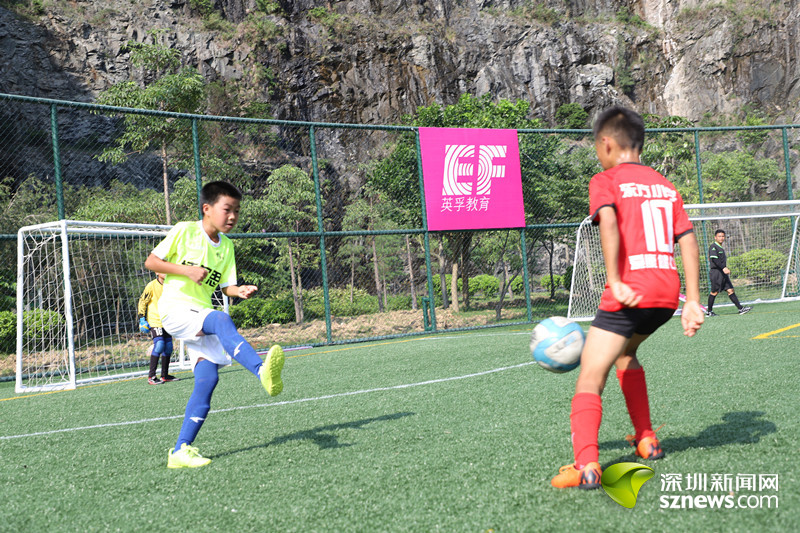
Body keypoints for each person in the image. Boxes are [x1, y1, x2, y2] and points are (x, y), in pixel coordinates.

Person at [551, 106, 704, 489]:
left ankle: (586, 465)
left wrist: (616, 280)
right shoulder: (665, 185)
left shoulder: (605, 180)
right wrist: (692, 300)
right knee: (626, 354)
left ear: (606, 144)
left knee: (590, 376)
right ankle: (646, 440)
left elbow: (609, 221)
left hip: (630, 290)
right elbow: (687, 239)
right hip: (666, 294)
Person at [144, 180, 285, 469]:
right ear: (207, 209)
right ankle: (261, 372)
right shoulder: (185, 230)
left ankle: (180, 451)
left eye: (237, 211)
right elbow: (152, 262)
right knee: (221, 318)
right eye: (227, 209)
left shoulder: (227, 246)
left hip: (200, 312)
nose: (232, 216)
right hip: (174, 310)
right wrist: (185, 270)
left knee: (208, 379)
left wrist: (239, 290)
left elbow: (225, 286)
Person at [137, 273, 178, 385]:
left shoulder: (171, 285)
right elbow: (142, 301)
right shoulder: (151, 285)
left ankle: (165, 376)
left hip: (167, 321)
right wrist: (142, 318)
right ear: (157, 272)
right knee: (159, 345)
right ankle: (151, 377)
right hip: (155, 320)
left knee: (168, 347)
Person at [706, 229, 752, 316]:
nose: (721, 238)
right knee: (714, 292)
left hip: (722, 273)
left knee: (730, 290)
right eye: (719, 236)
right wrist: (723, 268)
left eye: (723, 236)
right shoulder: (713, 247)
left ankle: (741, 309)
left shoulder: (721, 247)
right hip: (716, 273)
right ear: (715, 237)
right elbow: (715, 260)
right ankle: (709, 312)